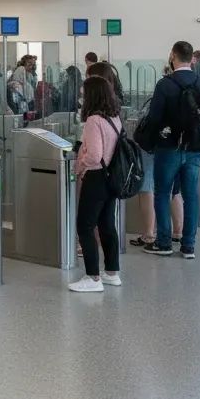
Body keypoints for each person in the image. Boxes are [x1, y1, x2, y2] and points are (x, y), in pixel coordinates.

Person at [138, 41, 200, 257]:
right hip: (194, 148)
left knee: (162, 193)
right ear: (192, 58)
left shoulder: (165, 84)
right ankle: (188, 245)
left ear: (173, 55)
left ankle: (163, 243)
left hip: (168, 147)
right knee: (191, 195)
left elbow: (154, 118)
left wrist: (151, 141)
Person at [69, 75, 123, 293]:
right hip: (112, 177)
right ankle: (112, 272)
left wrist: (80, 163)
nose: (81, 96)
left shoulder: (93, 121)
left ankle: (92, 277)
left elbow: (94, 155)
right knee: (107, 225)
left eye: (83, 93)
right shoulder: (114, 117)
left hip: (96, 177)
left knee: (85, 225)